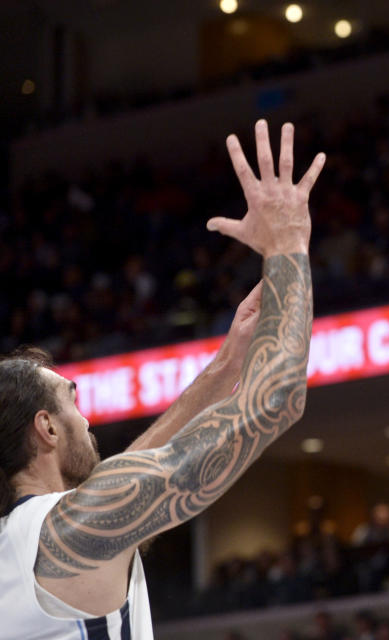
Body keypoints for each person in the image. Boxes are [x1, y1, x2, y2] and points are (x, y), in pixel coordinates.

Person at [0, 119, 324, 638]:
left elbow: (129, 474)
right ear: (47, 428)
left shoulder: (28, 537)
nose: (86, 418)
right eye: (71, 402)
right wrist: (288, 244)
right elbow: (276, 401)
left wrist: (224, 368)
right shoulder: (71, 533)